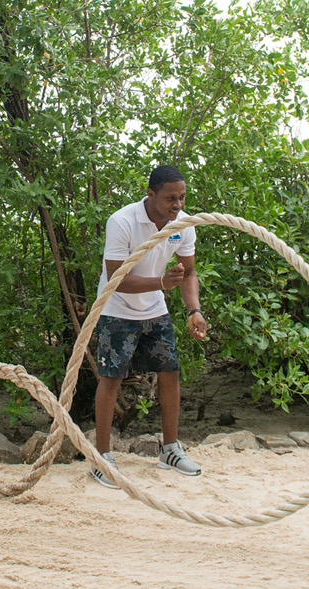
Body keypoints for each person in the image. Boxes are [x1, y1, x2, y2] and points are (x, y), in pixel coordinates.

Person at [89, 164, 209, 489]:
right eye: (171, 198)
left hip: (154, 309)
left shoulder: (183, 225)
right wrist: (159, 282)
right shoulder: (123, 221)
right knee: (111, 378)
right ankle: (102, 458)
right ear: (151, 194)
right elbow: (115, 278)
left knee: (170, 371)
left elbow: (190, 272)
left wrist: (193, 310)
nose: (178, 205)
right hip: (115, 309)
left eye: (182, 197)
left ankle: (170, 450)